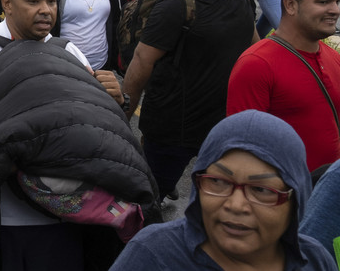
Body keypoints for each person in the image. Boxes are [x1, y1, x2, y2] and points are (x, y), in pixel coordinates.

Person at [0, 0, 133, 269]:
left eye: (52, 1)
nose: (45, 10)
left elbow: (95, 131)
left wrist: (115, 101)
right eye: (33, 1)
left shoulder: (69, 54)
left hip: (63, 217)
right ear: (7, 3)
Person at [123, 0, 258, 202]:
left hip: (222, 127)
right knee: (146, 201)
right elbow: (141, 62)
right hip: (172, 130)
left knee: (215, 202)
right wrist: (122, 117)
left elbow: (256, 49)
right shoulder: (177, 4)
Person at [111, 110, 334, 271]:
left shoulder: (315, 260)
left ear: (295, 198)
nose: (236, 205)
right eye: (218, 182)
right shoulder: (155, 254)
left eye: (260, 189)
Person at [228, 0, 340, 172]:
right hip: (285, 195)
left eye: (336, 1)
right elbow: (241, 147)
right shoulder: (256, 64)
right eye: (323, 2)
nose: (335, 10)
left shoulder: (333, 57)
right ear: (290, 5)